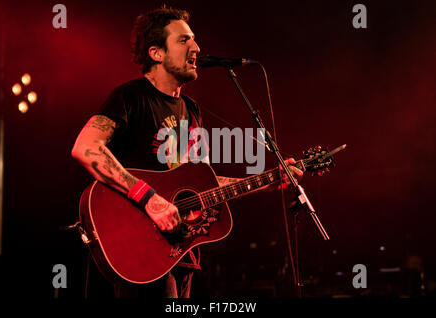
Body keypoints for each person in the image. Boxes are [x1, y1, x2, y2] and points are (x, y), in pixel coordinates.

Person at [71, 7, 303, 298]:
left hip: (180, 252)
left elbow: (203, 183)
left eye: (193, 40)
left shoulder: (191, 110)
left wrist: (269, 181)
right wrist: (150, 199)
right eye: (183, 41)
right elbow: (86, 147)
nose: (196, 47)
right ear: (156, 53)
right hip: (136, 248)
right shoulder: (130, 97)